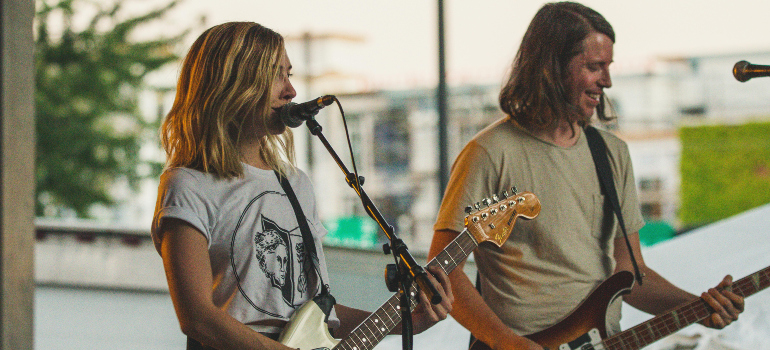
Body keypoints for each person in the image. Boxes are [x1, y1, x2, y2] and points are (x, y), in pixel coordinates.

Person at [428, 3, 744, 350]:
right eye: (594, 67)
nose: (606, 82)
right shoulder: (490, 152)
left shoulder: (611, 154)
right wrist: (505, 341)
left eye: (607, 68)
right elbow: (444, 270)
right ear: (551, 68)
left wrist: (700, 307)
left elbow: (630, 273)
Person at [152, 22, 453, 350]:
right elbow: (197, 318)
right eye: (275, 75)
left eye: (289, 74)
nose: (291, 91)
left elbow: (318, 314)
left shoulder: (296, 183)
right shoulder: (189, 185)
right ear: (231, 83)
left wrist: (406, 320)